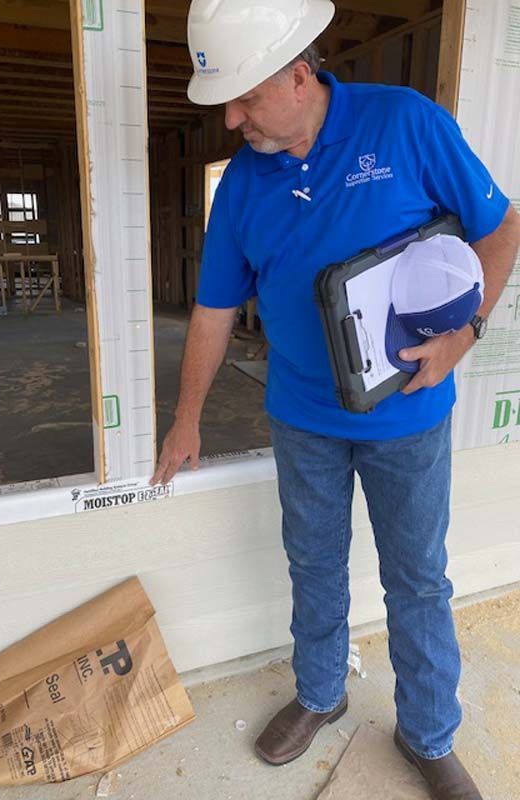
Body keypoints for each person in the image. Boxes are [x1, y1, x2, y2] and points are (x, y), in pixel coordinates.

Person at [150, 2, 520, 798]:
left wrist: (468, 333)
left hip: (408, 416)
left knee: (417, 578)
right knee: (313, 564)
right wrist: (184, 420)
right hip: (302, 418)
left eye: (246, 97)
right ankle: (321, 693)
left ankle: (428, 734)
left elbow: (500, 227)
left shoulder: (406, 124)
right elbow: (214, 312)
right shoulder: (244, 183)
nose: (232, 119)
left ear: (298, 73)